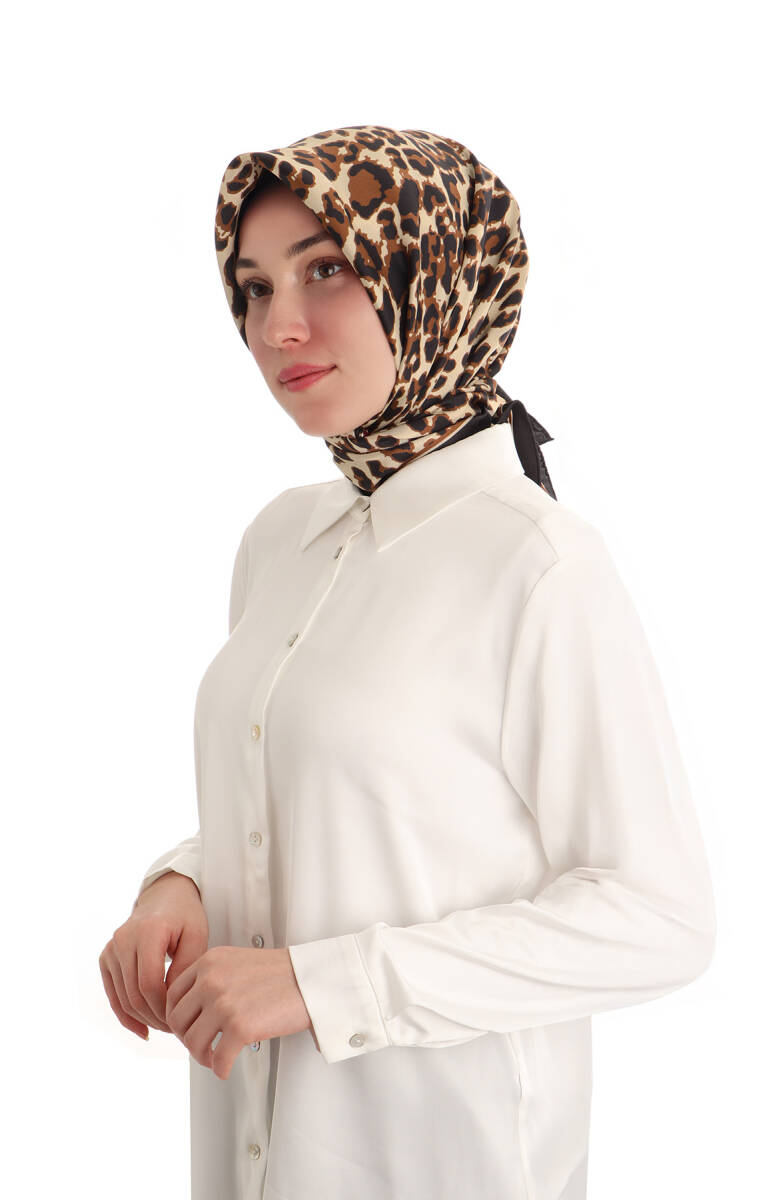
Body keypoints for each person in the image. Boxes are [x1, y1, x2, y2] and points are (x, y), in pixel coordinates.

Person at [98, 126, 716, 1200]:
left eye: (327, 270)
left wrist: (321, 985)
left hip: (442, 1162)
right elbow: (358, 805)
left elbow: (659, 919)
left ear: (434, 278)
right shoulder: (281, 541)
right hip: (249, 1154)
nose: (277, 327)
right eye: (253, 287)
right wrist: (185, 879)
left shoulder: (537, 561)